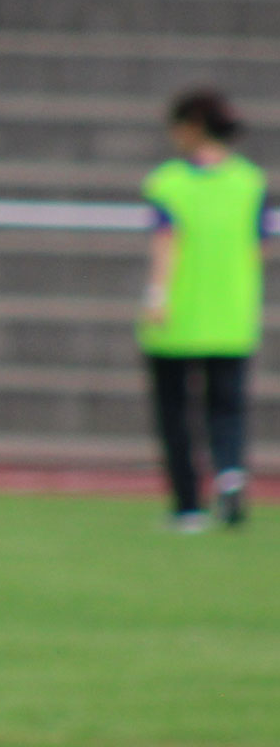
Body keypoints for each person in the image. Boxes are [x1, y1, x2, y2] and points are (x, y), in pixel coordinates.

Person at [139, 86, 267, 530]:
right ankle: (230, 478)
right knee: (227, 410)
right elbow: (259, 247)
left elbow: (165, 245)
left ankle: (188, 504)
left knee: (176, 413)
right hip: (232, 316)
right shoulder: (250, 181)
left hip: (178, 318)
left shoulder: (168, 183)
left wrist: (156, 297)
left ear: (192, 127)